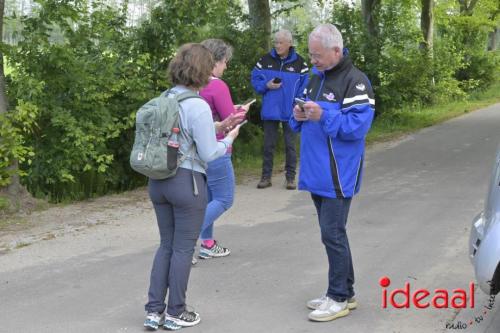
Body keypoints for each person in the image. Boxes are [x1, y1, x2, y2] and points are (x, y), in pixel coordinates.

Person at [143, 43, 241, 331]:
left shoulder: (165, 97)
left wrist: (218, 127)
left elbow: (182, 135)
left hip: (158, 181)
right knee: (183, 249)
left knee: (166, 246)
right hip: (187, 183)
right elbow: (210, 154)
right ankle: (176, 311)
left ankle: (153, 311)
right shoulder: (197, 104)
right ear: (202, 70)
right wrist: (229, 137)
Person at [289, 24, 374, 322]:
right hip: (315, 171)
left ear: (336, 51)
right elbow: (296, 118)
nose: (313, 60)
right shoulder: (313, 79)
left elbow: (357, 128)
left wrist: (324, 115)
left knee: (333, 234)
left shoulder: (356, 82)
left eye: (318, 55)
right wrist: (298, 115)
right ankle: (343, 293)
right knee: (332, 235)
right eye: (311, 54)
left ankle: (338, 297)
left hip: (338, 172)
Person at [197, 38, 248, 260]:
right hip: (217, 148)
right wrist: (242, 112)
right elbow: (230, 120)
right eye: (225, 61)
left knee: (209, 200)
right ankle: (185, 239)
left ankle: (207, 243)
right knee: (224, 199)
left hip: (197, 151)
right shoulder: (217, 85)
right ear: (215, 61)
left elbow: (211, 113)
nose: (226, 66)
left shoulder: (193, 84)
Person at [251, 29, 309, 190]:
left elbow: (305, 87)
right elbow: (254, 79)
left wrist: (298, 104)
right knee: (268, 145)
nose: (277, 45)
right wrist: (266, 85)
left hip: (290, 111)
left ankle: (290, 178)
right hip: (270, 110)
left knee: (290, 145)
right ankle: (266, 177)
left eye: (280, 42)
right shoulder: (264, 60)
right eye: (275, 42)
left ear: (289, 43)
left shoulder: (300, 63)